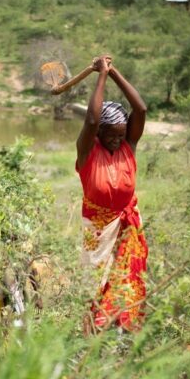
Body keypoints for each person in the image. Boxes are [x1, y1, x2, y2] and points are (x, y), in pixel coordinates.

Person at [76, 55, 148, 334]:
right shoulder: (87, 153)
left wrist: (114, 71)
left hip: (127, 227)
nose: (117, 140)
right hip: (98, 230)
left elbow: (140, 109)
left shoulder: (128, 147)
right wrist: (101, 76)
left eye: (121, 134)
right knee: (96, 285)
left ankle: (124, 331)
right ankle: (94, 336)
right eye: (112, 135)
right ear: (98, 134)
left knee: (126, 280)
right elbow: (92, 118)